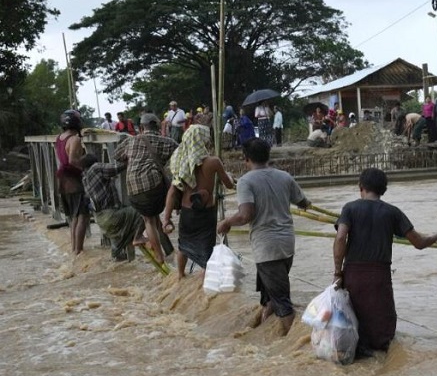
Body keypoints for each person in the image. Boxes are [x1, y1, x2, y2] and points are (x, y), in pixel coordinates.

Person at [333, 168, 437, 356]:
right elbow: (419, 243)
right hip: (379, 278)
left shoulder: (349, 208)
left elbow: (340, 239)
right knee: (383, 330)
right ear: (383, 189)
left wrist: (337, 272)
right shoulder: (392, 212)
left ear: (361, 187)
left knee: (353, 322)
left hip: (353, 276)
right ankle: (383, 366)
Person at [217, 139, 311, 335]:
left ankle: (290, 346)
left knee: (282, 301)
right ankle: (265, 335)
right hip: (286, 245)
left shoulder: (245, 181)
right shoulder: (284, 176)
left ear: (247, 159)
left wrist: (226, 223)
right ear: (269, 156)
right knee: (270, 298)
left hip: (267, 249)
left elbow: (245, 215)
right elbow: (303, 202)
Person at [163, 125, 235, 278]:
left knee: (183, 246)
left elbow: (172, 191)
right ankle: (204, 286)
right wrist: (229, 176)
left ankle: (180, 276)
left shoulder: (181, 163)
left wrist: (166, 218)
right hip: (207, 213)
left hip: (187, 211)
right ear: (202, 141)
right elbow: (229, 185)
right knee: (206, 250)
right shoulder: (214, 162)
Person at [114, 112, 178, 264]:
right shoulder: (166, 142)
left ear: (142, 127)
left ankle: (140, 238)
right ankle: (160, 255)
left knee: (147, 216)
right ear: (157, 126)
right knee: (151, 217)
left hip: (132, 189)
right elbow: (180, 153)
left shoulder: (131, 141)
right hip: (154, 188)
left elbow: (117, 155)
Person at [80, 153, 146, 262]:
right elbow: (116, 167)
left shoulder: (85, 178)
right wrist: (132, 156)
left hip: (101, 219)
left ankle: (118, 264)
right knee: (142, 209)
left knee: (118, 255)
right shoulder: (95, 168)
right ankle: (137, 236)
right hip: (110, 216)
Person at [55, 110, 90, 255]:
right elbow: (72, 161)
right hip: (73, 180)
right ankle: (79, 250)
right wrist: (87, 167)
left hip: (63, 180)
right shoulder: (74, 139)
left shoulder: (59, 138)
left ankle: (74, 250)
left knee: (73, 217)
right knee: (83, 215)